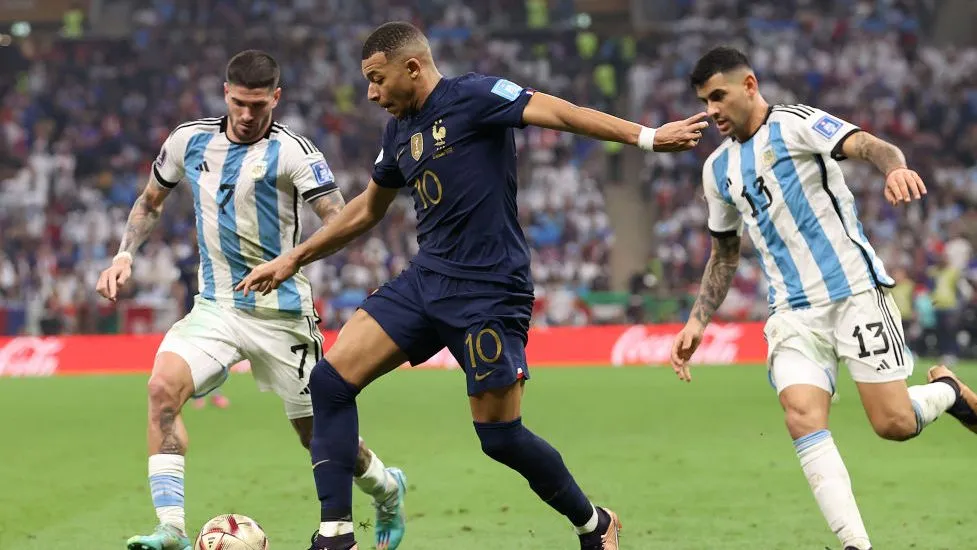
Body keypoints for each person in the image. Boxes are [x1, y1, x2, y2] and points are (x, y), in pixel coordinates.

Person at [237, 21, 708, 550]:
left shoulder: (476, 96)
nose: (371, 93)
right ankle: (336, 535)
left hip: (490, 291)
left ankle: (594, 523)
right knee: (329, 382)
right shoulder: (397, 132)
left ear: (411, 67)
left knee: (500, 438)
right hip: (428, 279)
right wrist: (295, 257)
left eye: (376, 78)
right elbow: (368, 209)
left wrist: (646, 137)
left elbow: (556, 110)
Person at [95, 50, 407, 550]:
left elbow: (341, 220)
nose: (246, 115)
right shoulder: (188, 140)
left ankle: (388, 489)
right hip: (215, 308)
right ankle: (171, 529)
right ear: (225, 93)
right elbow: (150, 201)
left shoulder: (295, 153)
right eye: (239, 103)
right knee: (161, 391)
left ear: (275, 99)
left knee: (318, 438)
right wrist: (124, 254)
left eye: (257, 105)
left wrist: (292, 260)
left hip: (281, 316)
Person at [670, 46, 977, 550]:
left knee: (894, 424)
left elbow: (871, 146)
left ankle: (947, 391)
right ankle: (856, 544)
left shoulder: (798, 123)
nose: (712, 111)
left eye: (719, 96)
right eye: (705, 102)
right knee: (801, 416)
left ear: (749, 84)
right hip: (793, 313)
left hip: (855, 292)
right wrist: (698, 320)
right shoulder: (717, 171)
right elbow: (724, 255)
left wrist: (894, 169)